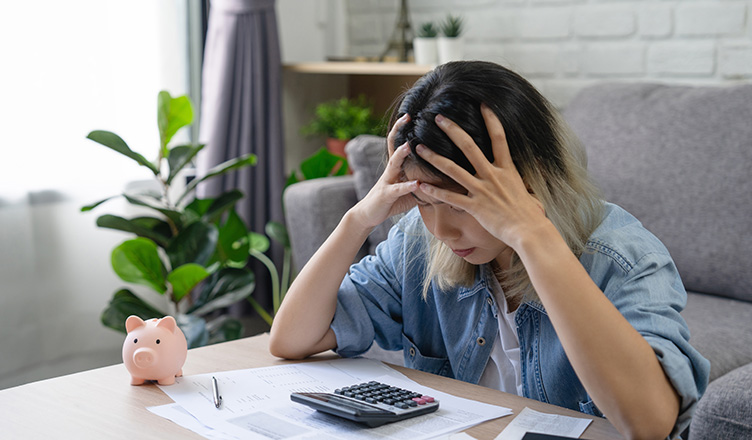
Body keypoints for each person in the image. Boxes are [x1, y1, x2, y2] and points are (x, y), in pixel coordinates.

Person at [270, 61, 709, 439]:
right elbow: (291, 339)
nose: (441, 229)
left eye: (462, 204)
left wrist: (531, 235)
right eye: (426, 203)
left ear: (530, 178)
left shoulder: (621, 257)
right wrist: (358, 219)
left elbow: (650, 424)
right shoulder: (417, 244)